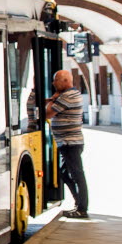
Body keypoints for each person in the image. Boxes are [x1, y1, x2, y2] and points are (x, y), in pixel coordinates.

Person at [45, 70, 88, 219]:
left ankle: (82, 208)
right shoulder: (71, 94)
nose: (53, 83)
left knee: (77, 174)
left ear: (64, 81)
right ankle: (79, 204)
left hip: (71, 143)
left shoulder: (67, 96)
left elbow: (48, 114)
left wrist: (53, 100)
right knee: (64, 173)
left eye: (55, 80)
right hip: (68, 142)